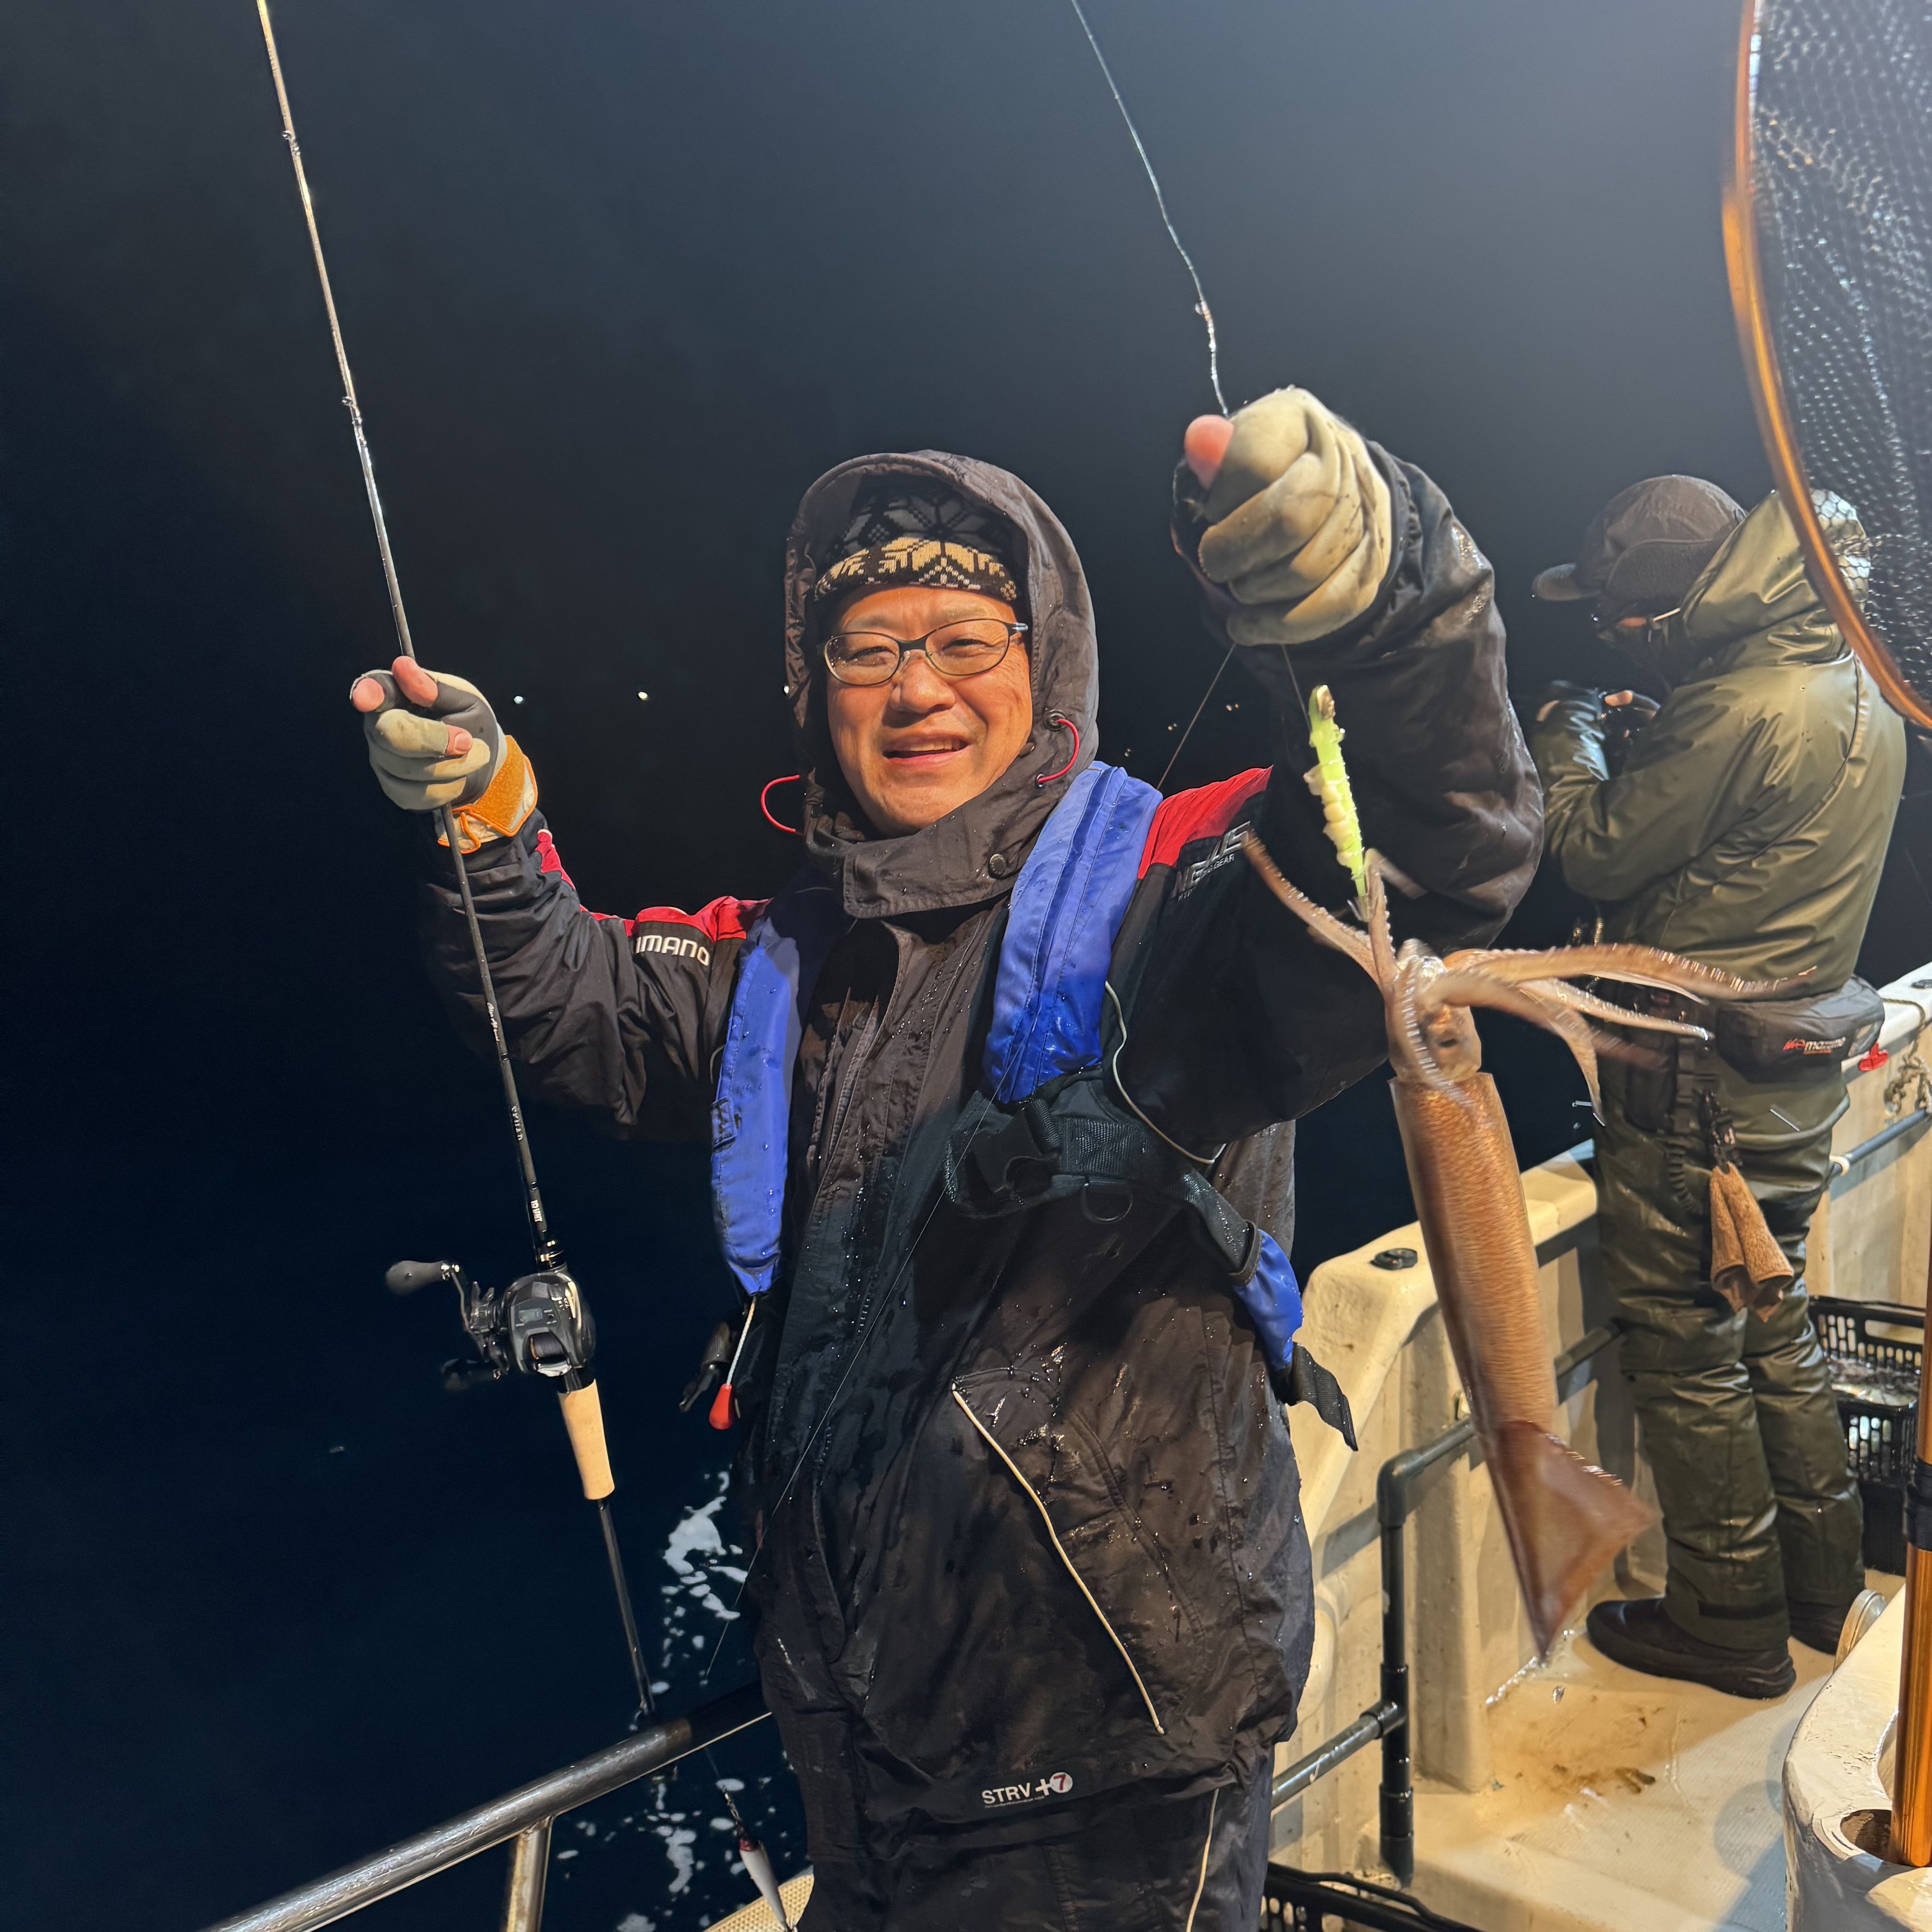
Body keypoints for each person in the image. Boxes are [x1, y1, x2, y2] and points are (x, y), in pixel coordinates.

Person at [353, 388, 1538, 1926]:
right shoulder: (786, 960)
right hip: (862, 1759)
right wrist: (491, 824)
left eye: (966, 639)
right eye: (868, 648)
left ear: (1044, 667)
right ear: (815, 689)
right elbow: (576, 1004)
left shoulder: (1170, 896)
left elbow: (1423, 851)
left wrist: (1388, 609)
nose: (917, 686)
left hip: (1108, 1777)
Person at [1529, 476, 1905, 1700]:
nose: (1608, 635)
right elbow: (1753, 827)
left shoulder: (1737, 703)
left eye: (1611, 618)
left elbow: (1590, 849)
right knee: (1773, 1320)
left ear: (1663, 610)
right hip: (1792, 1075)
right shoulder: (1855, 675)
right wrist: (1664, 731)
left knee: (1690, 1348)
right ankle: (1823, 1588)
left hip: (1692, 1093)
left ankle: (1728, 1619)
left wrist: (1569, 734)